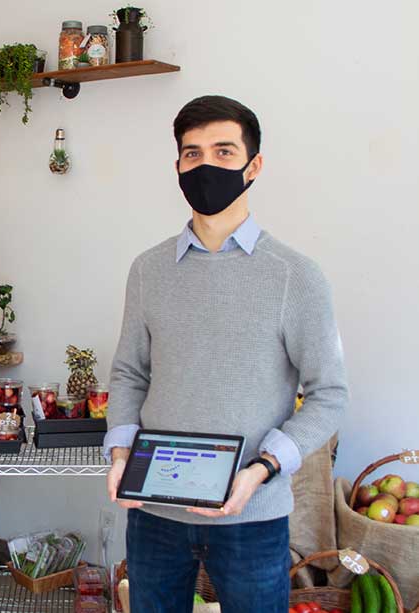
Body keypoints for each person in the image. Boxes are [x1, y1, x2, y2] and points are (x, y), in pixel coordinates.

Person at [104, 95, 349, 613]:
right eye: (192, 155)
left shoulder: (294, 276)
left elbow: (328, 395)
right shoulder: (148, 270)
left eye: (223, 151)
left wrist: (262, 468)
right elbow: (129, 373)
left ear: (253, 165)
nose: (206, 166)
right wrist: (121, 453)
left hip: (252, 517)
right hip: (156, 512)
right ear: (177, 167)